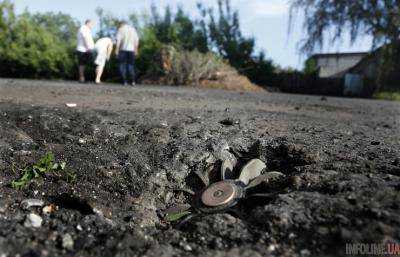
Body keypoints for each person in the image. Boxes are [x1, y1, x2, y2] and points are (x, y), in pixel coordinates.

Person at [115, 21, 139, 86]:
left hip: (123, 50)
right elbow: (136, 40)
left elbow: (118, 41)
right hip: (132, 50)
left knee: (122, 66)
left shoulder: (121, 29)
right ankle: (133, 81)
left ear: (121, 24)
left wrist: (116, 50)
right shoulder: (133, 29)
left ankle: (125, 81)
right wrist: (136, 50)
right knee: (131, 65)